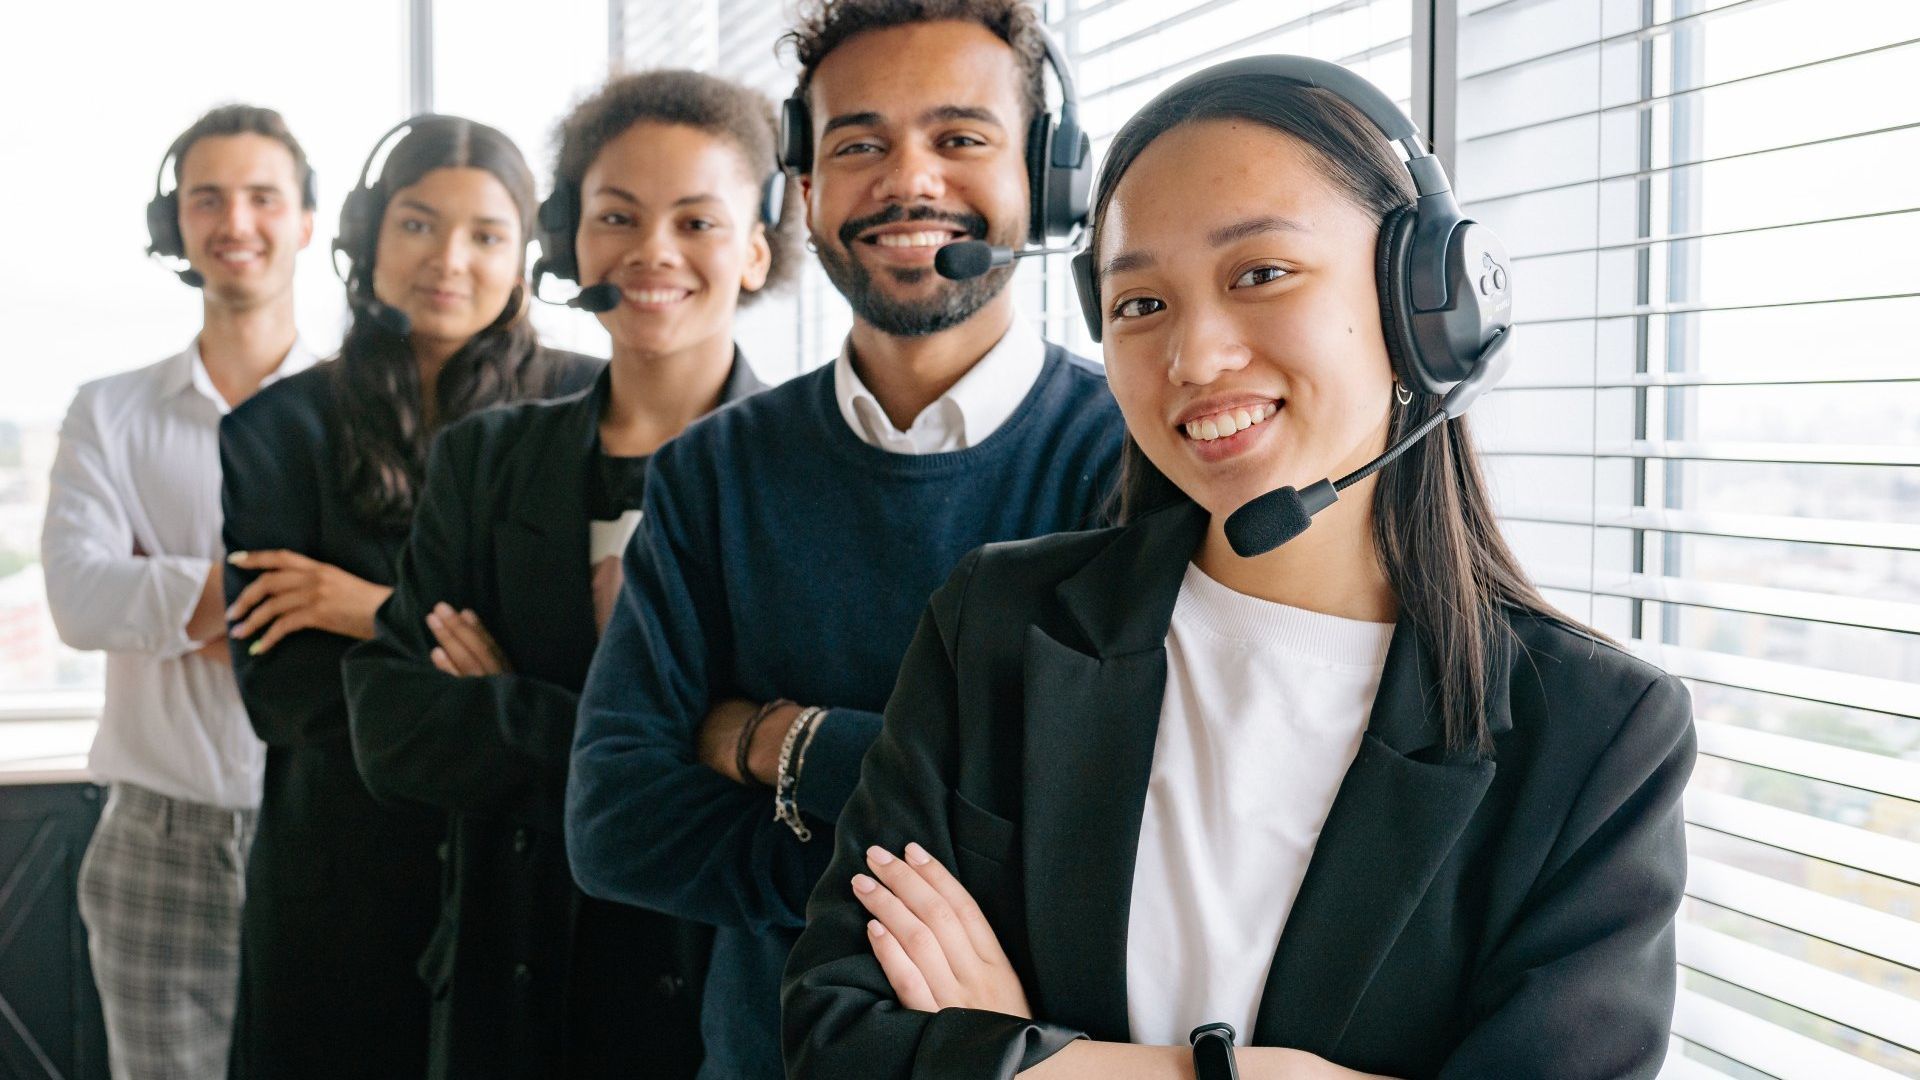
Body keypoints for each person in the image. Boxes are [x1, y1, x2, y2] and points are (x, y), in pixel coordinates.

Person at [782, 58, 1697, 1079]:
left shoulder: (1595, 737)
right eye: (1139, 305)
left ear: (1426, 305)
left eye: (1259, 274)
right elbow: (837, 1042)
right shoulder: (998, 624)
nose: (1194, 355)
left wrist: (1024, 1057)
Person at [563, 2, 1123, 1076]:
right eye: (859, 143)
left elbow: (1094, 840)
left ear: (1046, 178)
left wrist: (774, 741)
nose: (908, 181)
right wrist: (946, 865)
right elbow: (617, 822)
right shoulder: (711, 472)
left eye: (960, 139)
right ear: (805, 189)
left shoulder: (1131, 467)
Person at [341, 70, 796, 1080]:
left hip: (718, 994)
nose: (653, 252)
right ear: (570, 239)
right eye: (616, 216)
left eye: (696, 219)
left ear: (759, 246)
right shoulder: (485, 460)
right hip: (513, 981)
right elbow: (394, 728)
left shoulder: (806, 475)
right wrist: (678, 740)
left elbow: (810, 776)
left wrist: (513, 705)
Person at [218, 114, 600, 1080]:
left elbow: (598, 683)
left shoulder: (591, 409)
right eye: (418, 225)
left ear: (528, 255)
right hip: (338, 879)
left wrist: (364, 609)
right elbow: (288, 695)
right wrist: (489, 676)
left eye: (486, 234)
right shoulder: (275, 429)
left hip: (536, 876)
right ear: (367, 237)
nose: (450, 260)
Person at [41, 104, 316, 1080]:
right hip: (158, 833)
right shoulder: (109, 411)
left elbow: (394, 608)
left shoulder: (361, 410)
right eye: (208, 198)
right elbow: (78, 598)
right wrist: (286, 603)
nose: (235, 221)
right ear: (177, 226)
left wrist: (169, 601)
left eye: (261, 197)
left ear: (307, 223)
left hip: (329, 825)